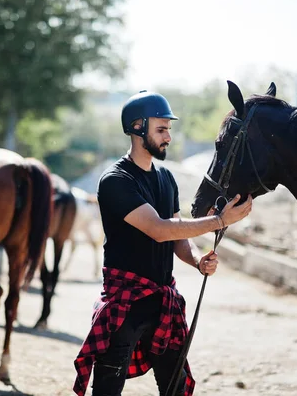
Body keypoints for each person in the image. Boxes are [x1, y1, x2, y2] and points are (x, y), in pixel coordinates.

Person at [73, 91, 253, 396]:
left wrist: (196, 260)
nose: (168, 136)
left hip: (162, 301)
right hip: (125, 303)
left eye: (169, 129)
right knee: (107, 390)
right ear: (137, 128)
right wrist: (220, 221)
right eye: (161, 129)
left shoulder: (166, 178)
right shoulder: (116, 180)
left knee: (175, 387)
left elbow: (176, 236)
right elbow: (158, 229)